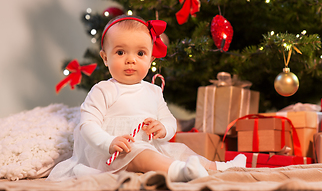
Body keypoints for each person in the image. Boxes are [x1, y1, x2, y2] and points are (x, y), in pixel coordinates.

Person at [47, 15, 246, 182]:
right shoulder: (103, 90)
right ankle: (180, 173)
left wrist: (163, 129)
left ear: (151, 59)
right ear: (105, 57)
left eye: (140, 53)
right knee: (142, 155)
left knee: (181, 151)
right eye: (120, 52)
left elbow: (169, 121)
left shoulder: (153, 91)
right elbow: (87, 125)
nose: (130, 59)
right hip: (115, 153)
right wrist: (109, 142)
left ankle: (219, 166)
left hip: (150, 145)